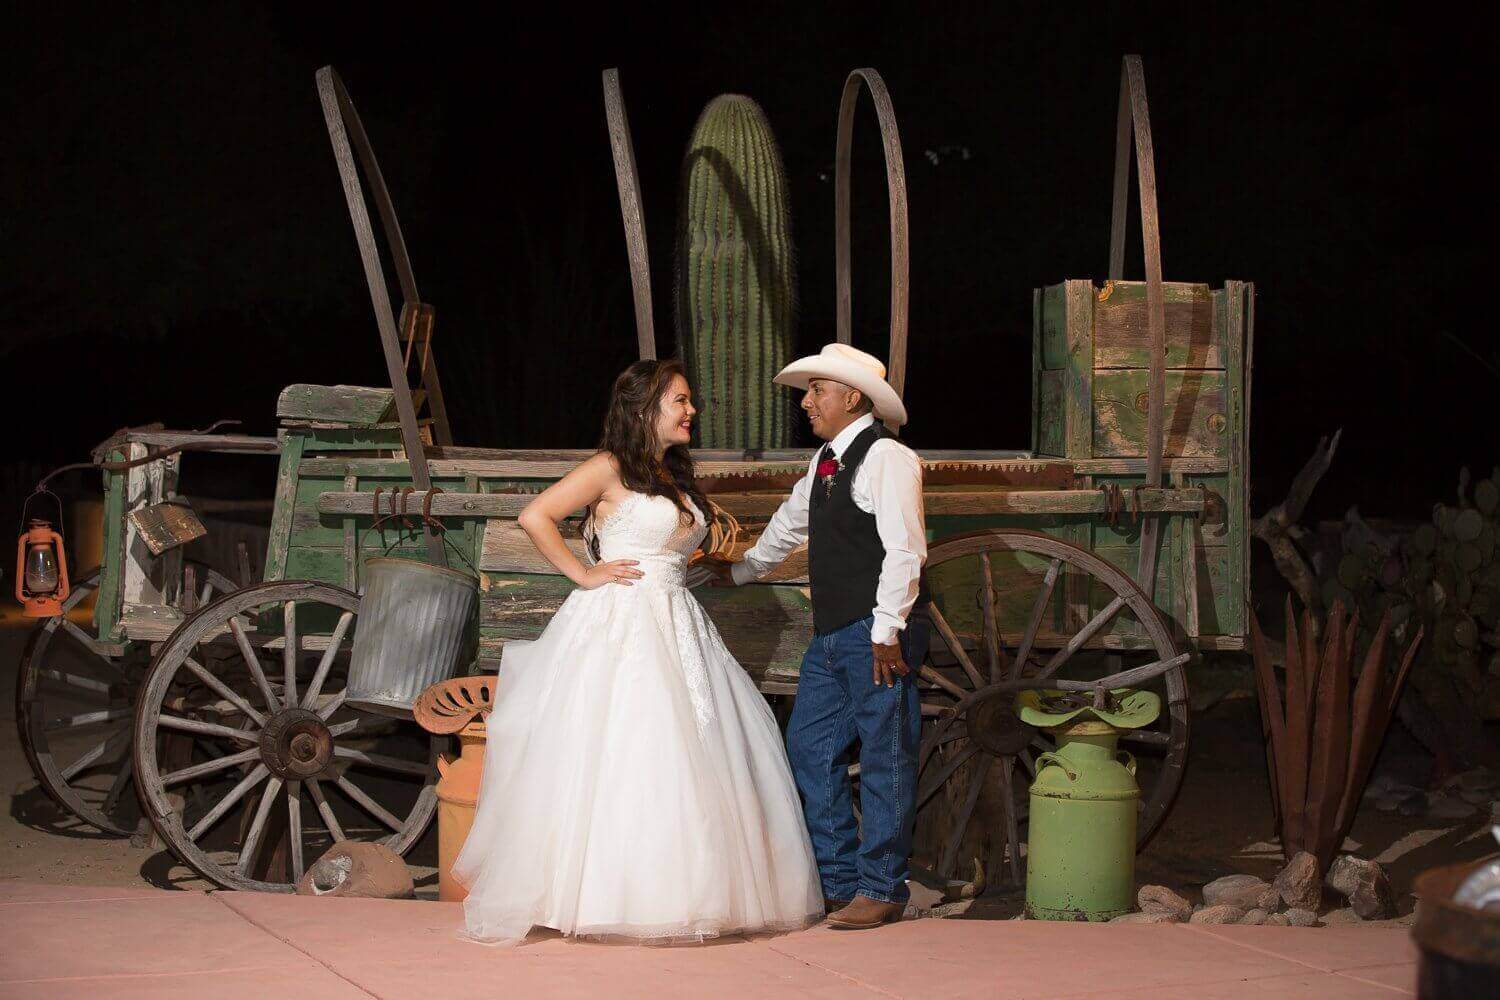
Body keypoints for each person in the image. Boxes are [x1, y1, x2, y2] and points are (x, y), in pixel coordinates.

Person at [452, 359, 822, 945]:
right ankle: (602, 896)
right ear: (645, 407)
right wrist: (583, 573)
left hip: (679, 623)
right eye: (680, 400)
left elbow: (671, 550)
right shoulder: (609, 467)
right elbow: (535, 515)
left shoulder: (667, 473)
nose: (691, 411)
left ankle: (691, 892)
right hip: (621, 624)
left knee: (691, 748)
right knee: (630, 744)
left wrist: (690, 569)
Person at [706, 343, 929, 930]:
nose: (806, 402)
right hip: (832, 633)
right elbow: (789, 524)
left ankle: (883, 887)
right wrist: (741, 570)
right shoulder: (826, 461)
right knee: (809, 748)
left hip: (876, 632)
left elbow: (906, 549)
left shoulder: (887, 458)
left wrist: (886, 632)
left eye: (817, 390)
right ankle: (839, 881)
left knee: (884, 754)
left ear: (851, 397)